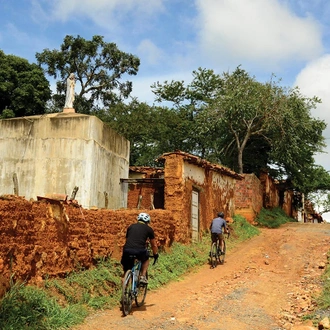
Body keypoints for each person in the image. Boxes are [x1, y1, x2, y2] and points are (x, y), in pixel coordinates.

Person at [121, 212, 159, 284]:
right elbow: (154, 245)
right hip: (139, 250)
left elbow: (127, 240)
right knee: (146, 259)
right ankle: (143, 276)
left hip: (127, 250)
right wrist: (155, 254)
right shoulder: (149, 229)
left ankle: (124, 282)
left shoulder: (131, 227)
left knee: (127, 268)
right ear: (147, 221)